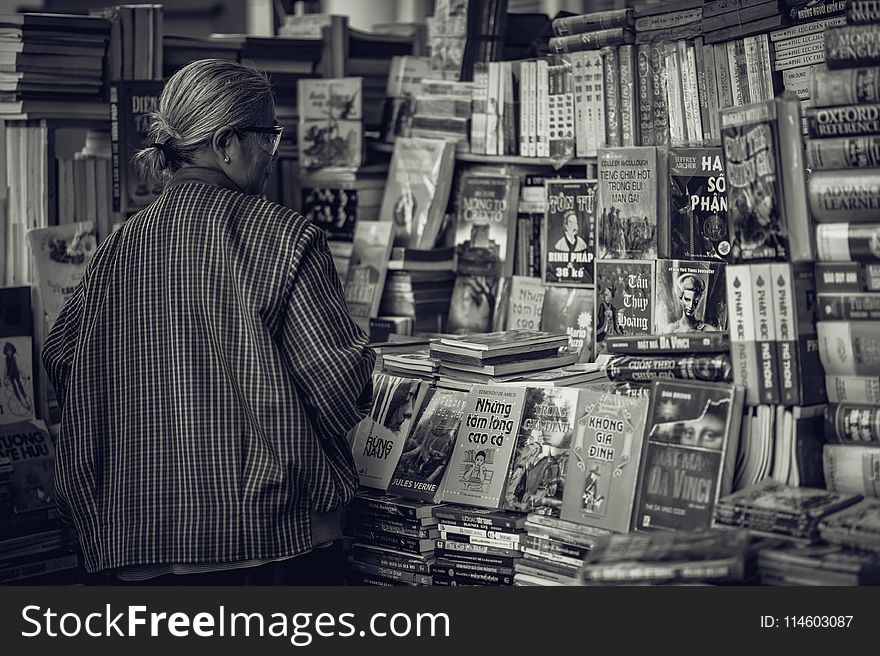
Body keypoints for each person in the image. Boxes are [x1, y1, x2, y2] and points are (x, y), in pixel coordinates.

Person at [42, 59, 375, 586]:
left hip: (133, 544)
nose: (274, 152)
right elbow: (336, 388)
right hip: (266, 541)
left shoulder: (116, 247)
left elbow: (61, 360)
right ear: (226, 143)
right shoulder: (285, 238)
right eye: (268, 135)